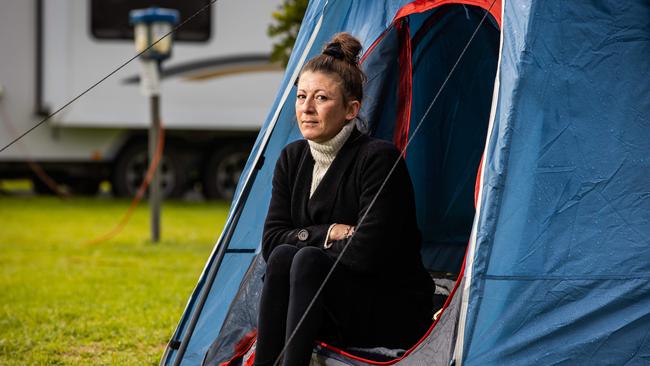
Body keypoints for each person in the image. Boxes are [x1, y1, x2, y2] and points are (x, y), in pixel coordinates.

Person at [255, 33, 435, 366]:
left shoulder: (378, 159)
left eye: (321, 98)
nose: (306, 108)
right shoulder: (292, 158)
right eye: (301, 96)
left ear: (351, 109)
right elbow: (270, 241)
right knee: (282, 257)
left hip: (387, 308)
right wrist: (328, 232)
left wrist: (306, 244)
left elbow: (366, 252)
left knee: (304, 260)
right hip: (327, 303)